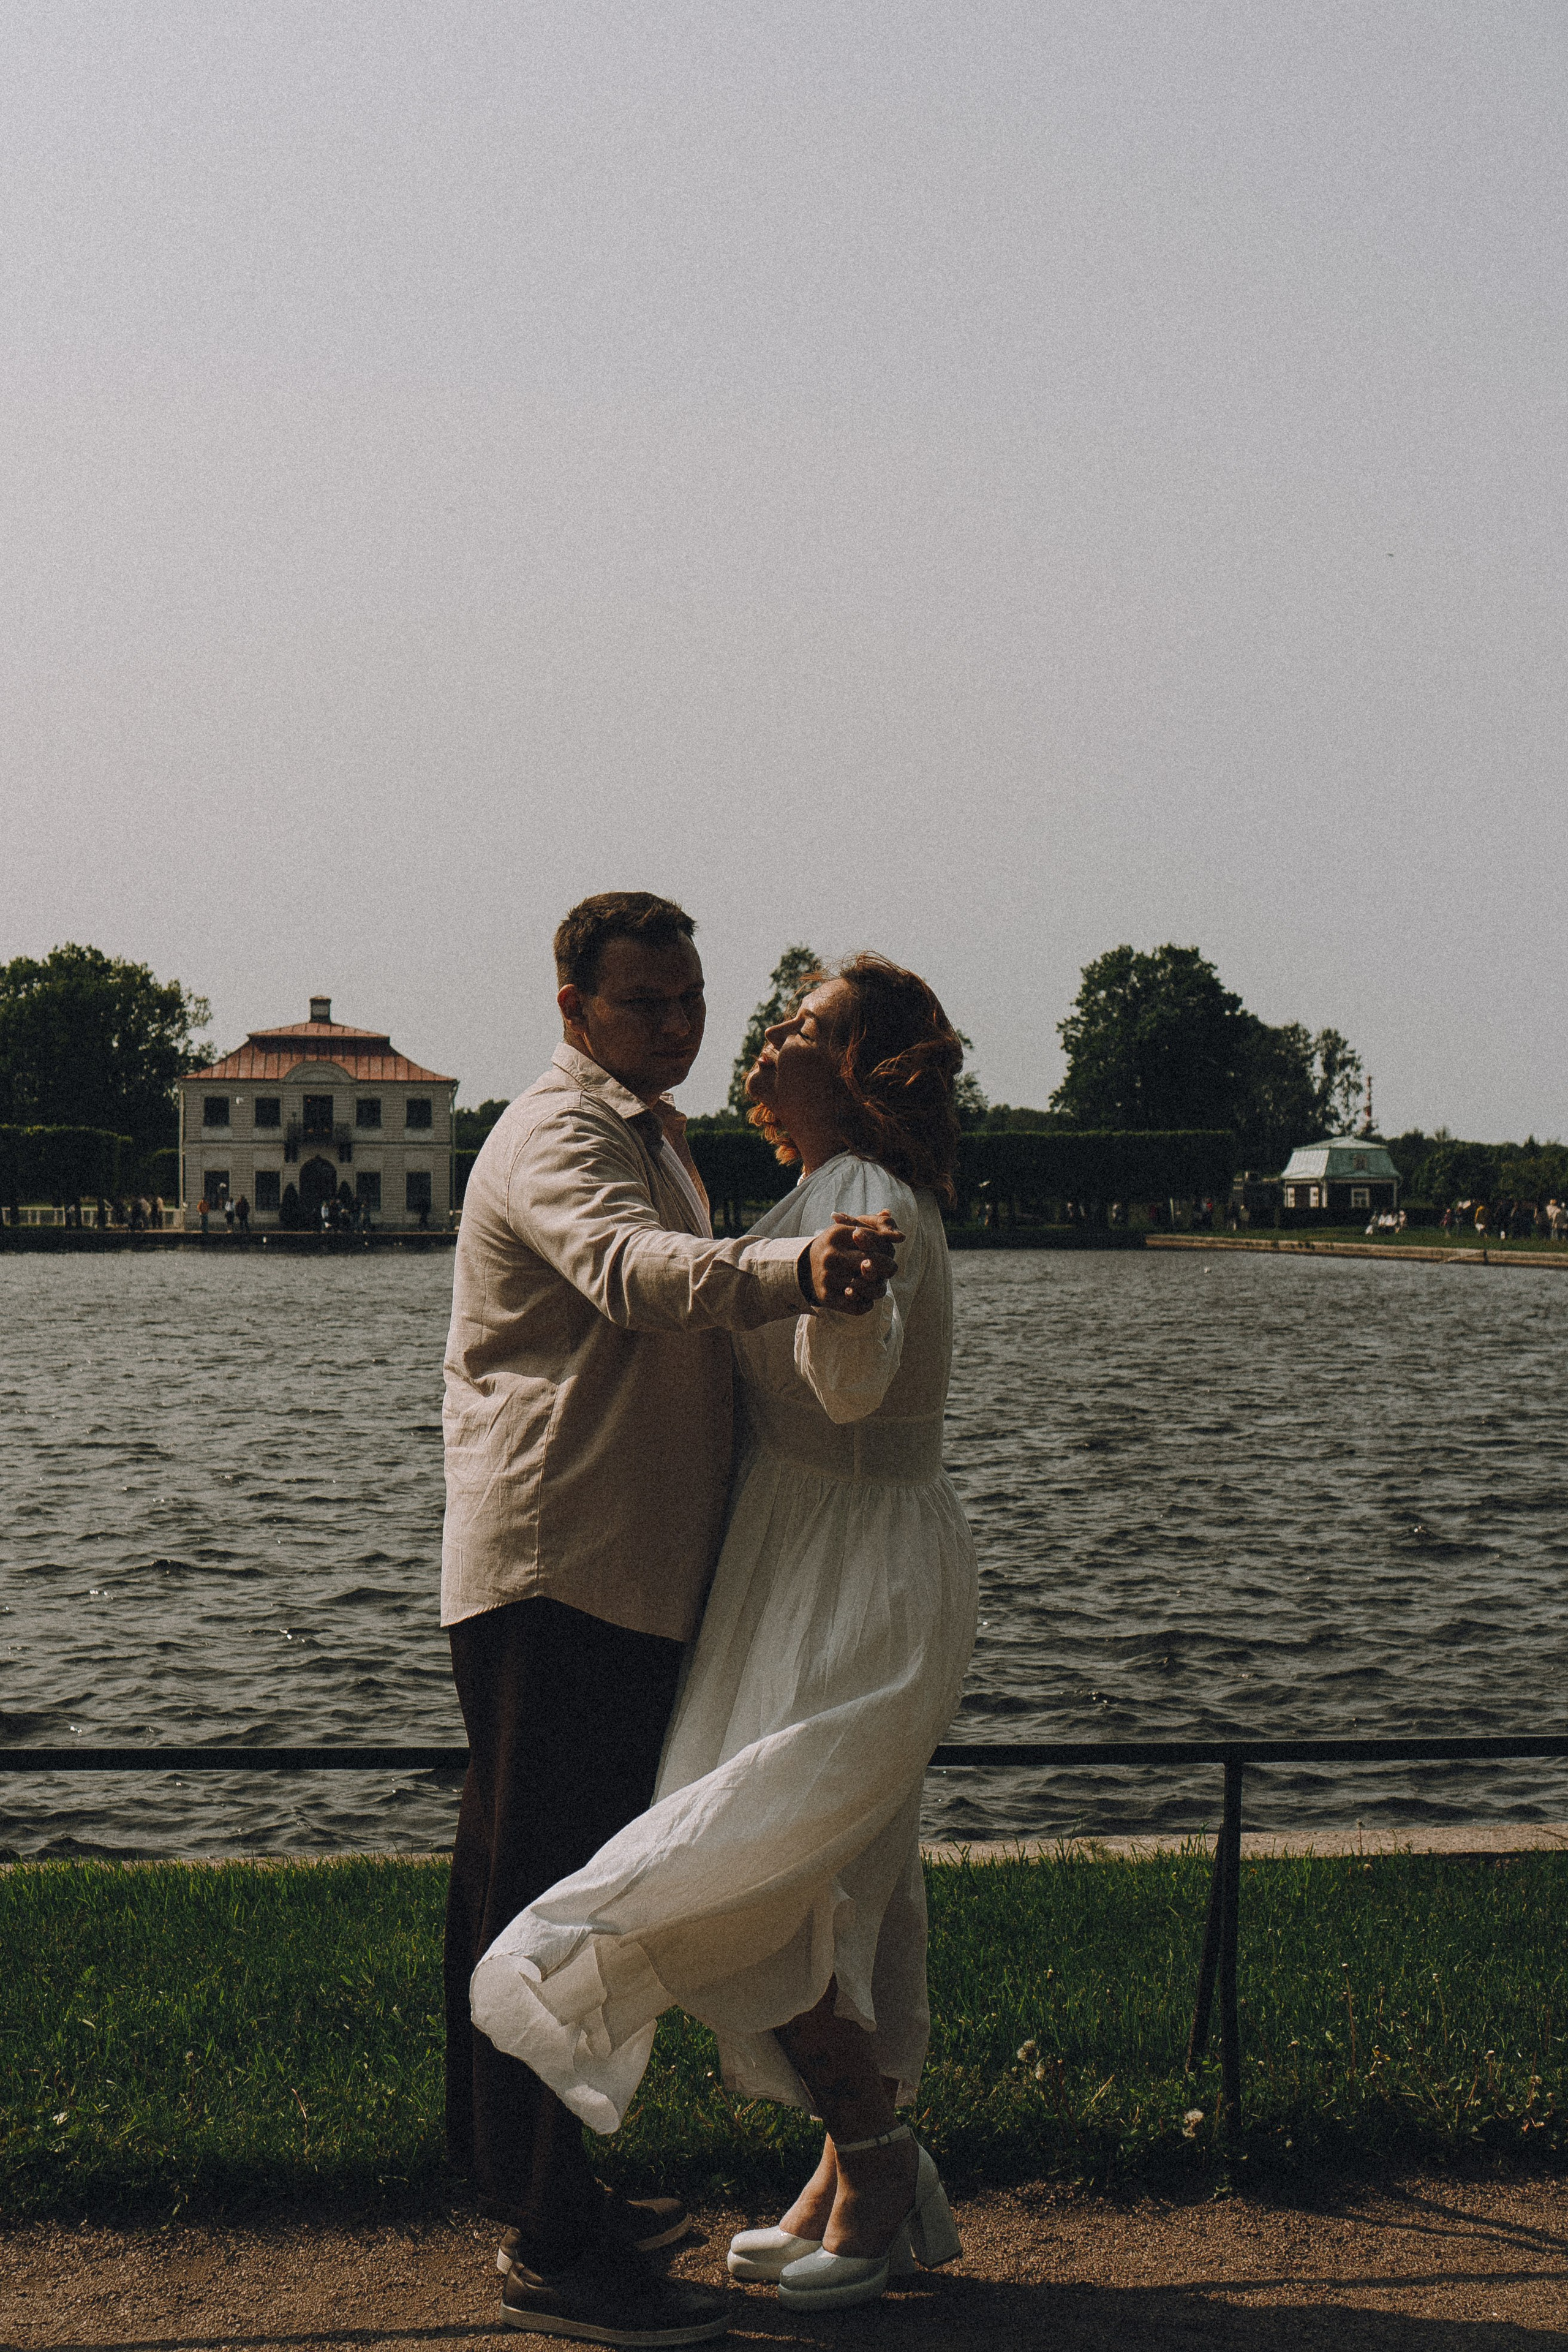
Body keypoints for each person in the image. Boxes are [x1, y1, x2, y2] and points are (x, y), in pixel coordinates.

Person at [472, 953, 978, 2320]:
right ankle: (860, 2171)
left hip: (843, 1560)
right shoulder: (820, 1188)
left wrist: (836, 1263)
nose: (765, 1036)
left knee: (756, 1879)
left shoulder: (855, 1191)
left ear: (859, 1065)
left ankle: (871, 2172)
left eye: (805, 1024)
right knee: (813, 1879)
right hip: (798, 1551)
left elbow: (853, 1389)